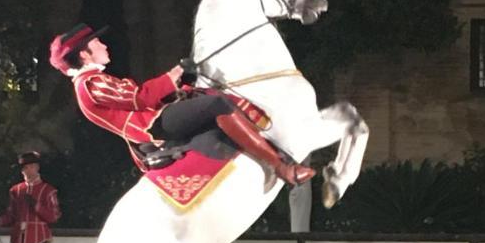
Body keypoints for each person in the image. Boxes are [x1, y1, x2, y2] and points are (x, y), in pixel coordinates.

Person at [49, 23, 315, 186]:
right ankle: (283, 169)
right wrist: (175, 73)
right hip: (153, 128)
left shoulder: (94, 80)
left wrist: (181, 84)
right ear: (84, 54)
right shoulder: (91, 83)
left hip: (155, 120)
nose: (103, 45)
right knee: (216, 105)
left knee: (204, 92)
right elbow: (139, 98)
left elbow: (141, 98)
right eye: (97, 43)